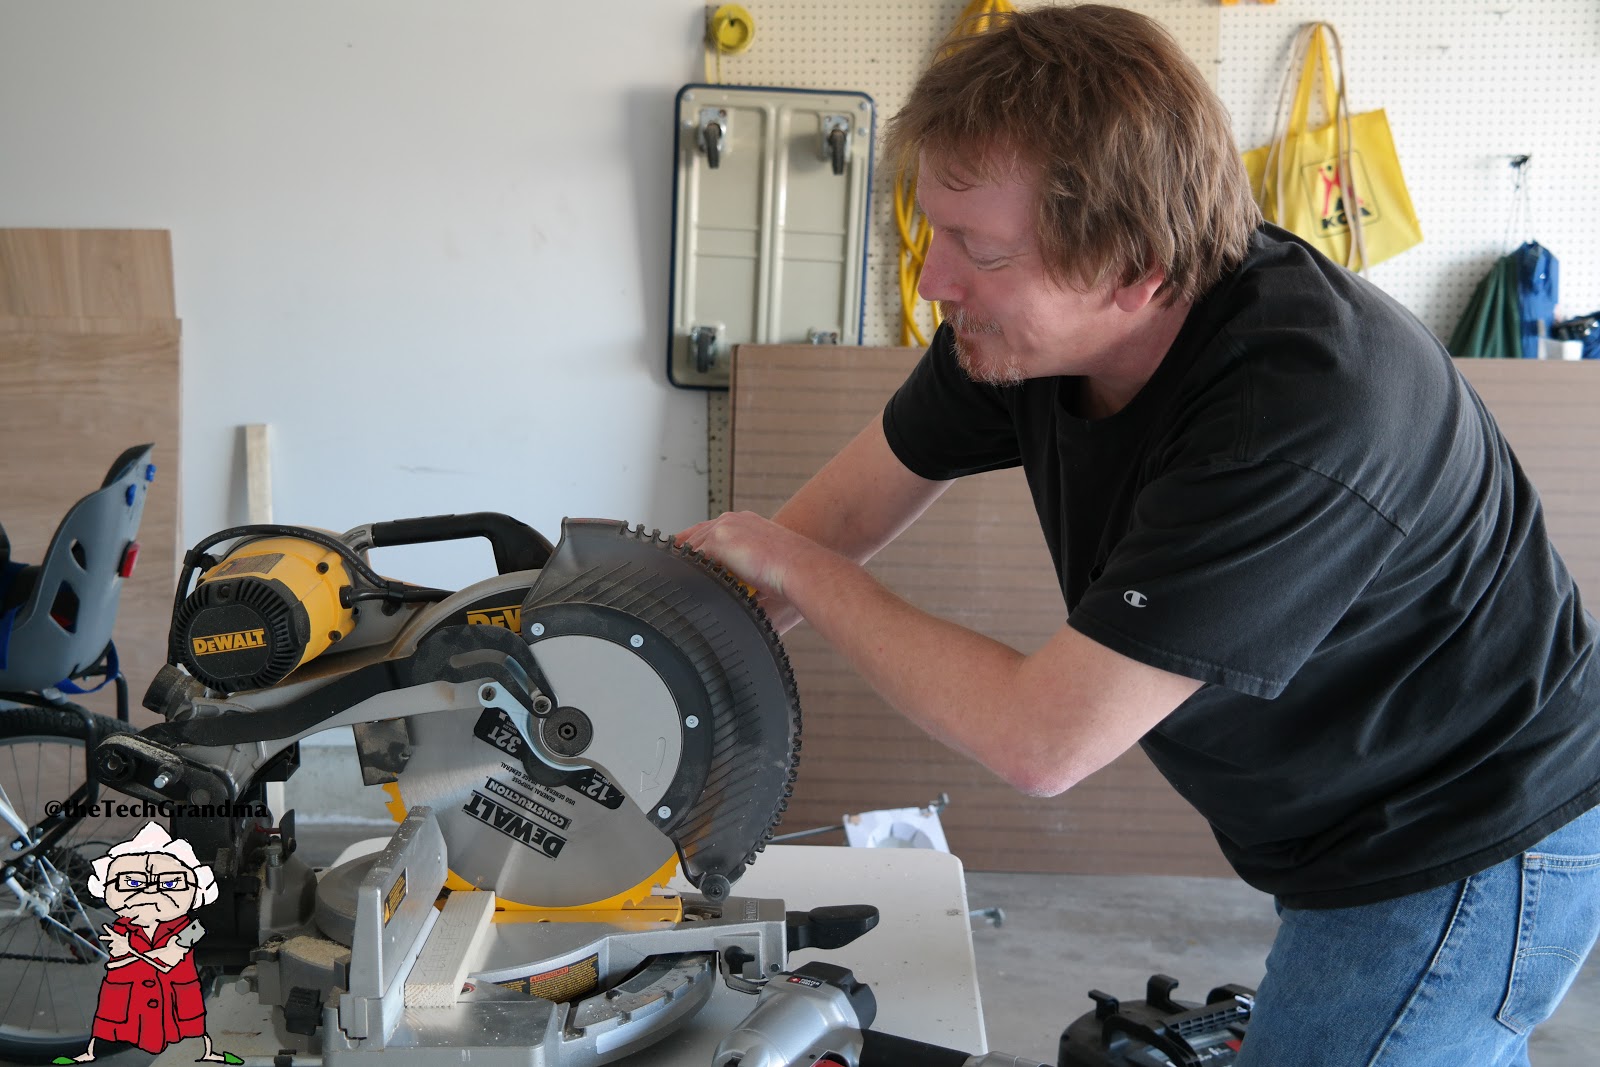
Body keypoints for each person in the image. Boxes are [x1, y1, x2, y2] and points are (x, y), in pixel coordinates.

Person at [681, 6, 1600, 1064]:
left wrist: (796, 567)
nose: (934, 279)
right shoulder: (1021, 335)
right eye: (933, 228)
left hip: (1462, 844)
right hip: (1338, 826)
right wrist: (669, 645)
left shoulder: (1295, 415)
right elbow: (834, 518)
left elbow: (1044, 739)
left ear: (1135, 269)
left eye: (977, 248)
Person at [60, 822, 240, 1064]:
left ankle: (204, 1049)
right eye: (132, 884)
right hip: (129, 990)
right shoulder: (129, 924)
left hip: (171, 988)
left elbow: (168, 960)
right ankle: (91, 1050)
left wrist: (130, 951)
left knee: (183, 1021)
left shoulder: (186, 926)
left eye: (169, 884)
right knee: (115, 1020)